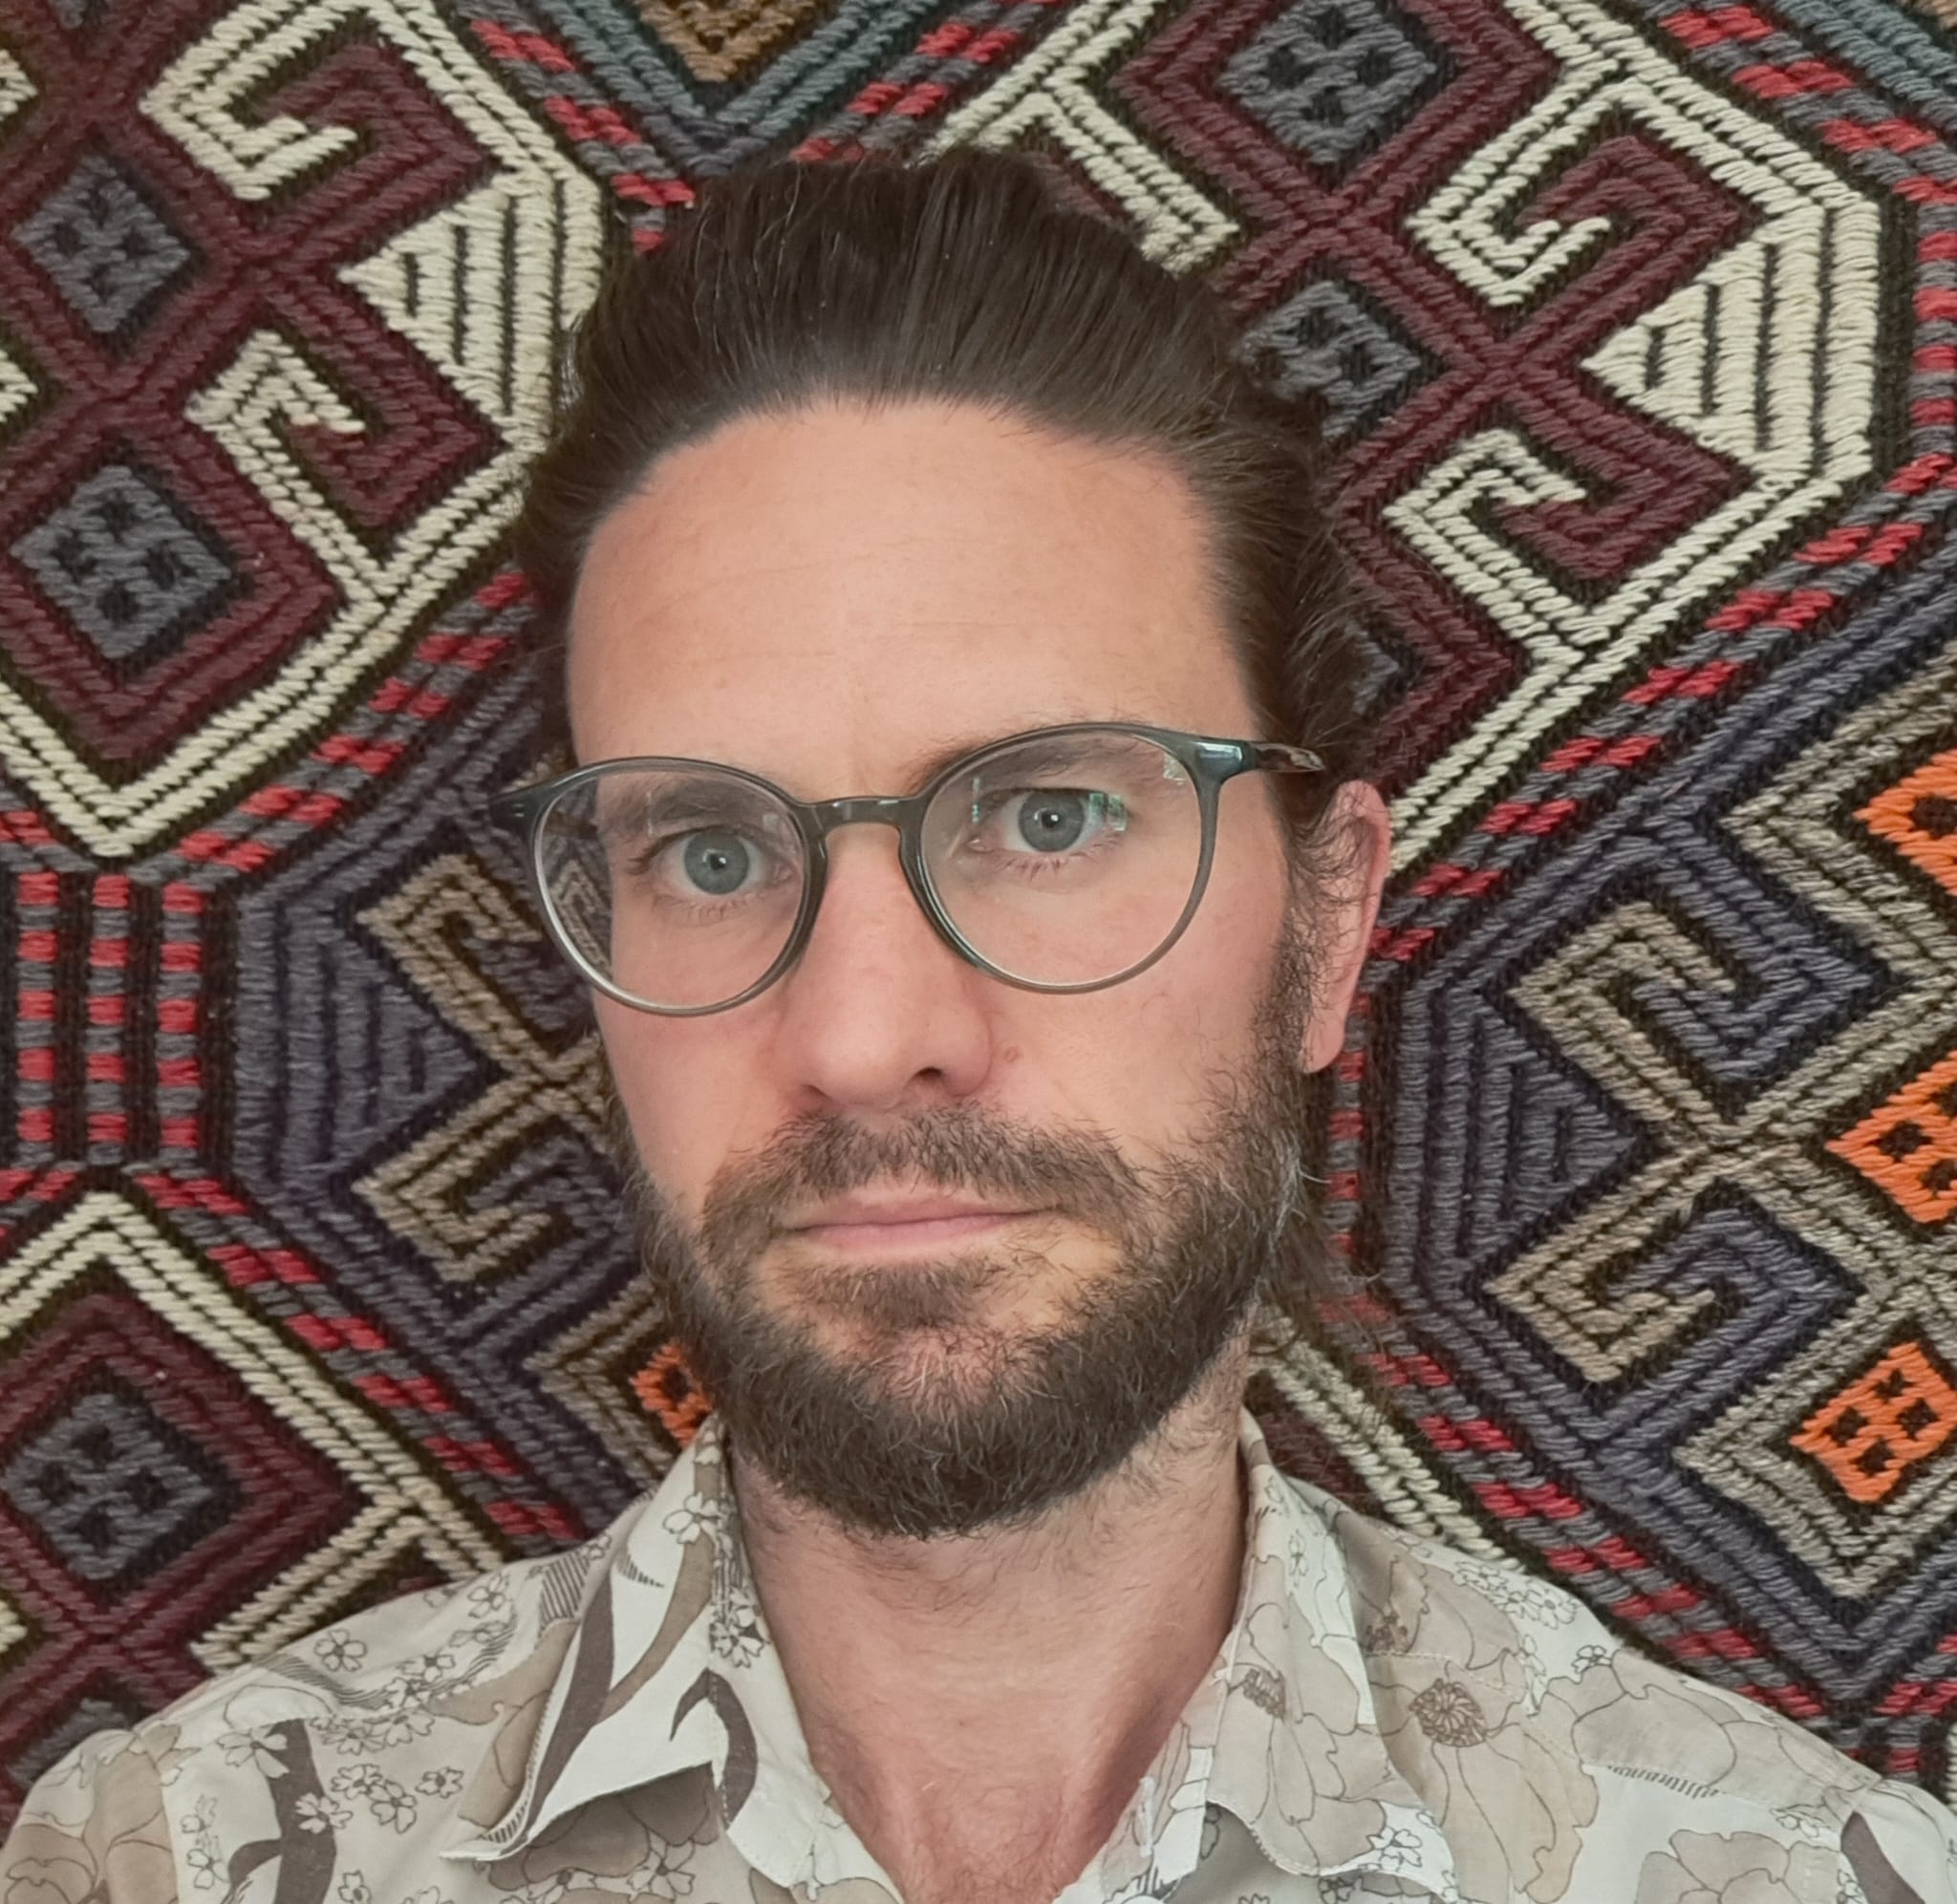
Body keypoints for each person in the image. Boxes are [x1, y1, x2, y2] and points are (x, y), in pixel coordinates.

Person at [7, 149, 1953, 1904]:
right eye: (707, 848)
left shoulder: (1781, 1877)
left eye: (1049, 817)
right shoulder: (181, 1858)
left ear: (1326, 922)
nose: (863, 1035)